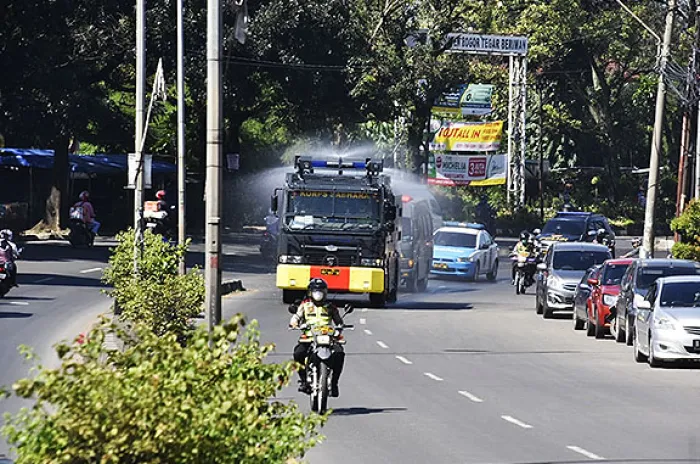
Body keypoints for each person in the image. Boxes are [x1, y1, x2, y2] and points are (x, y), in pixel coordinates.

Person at [290, 278, 346, 397]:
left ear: (325, 292)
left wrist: (340, 327)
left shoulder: (331, 307)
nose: (318, 294)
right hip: (309, 337)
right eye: (316, 292)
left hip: (327, 337)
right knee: (298, 353)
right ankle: (304, 381)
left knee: (339, 353)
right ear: (310, 292)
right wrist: (295, 323)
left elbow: (339, 322)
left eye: (321, 291)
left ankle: (334, 383)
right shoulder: (305, 305)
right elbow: (296, 317)